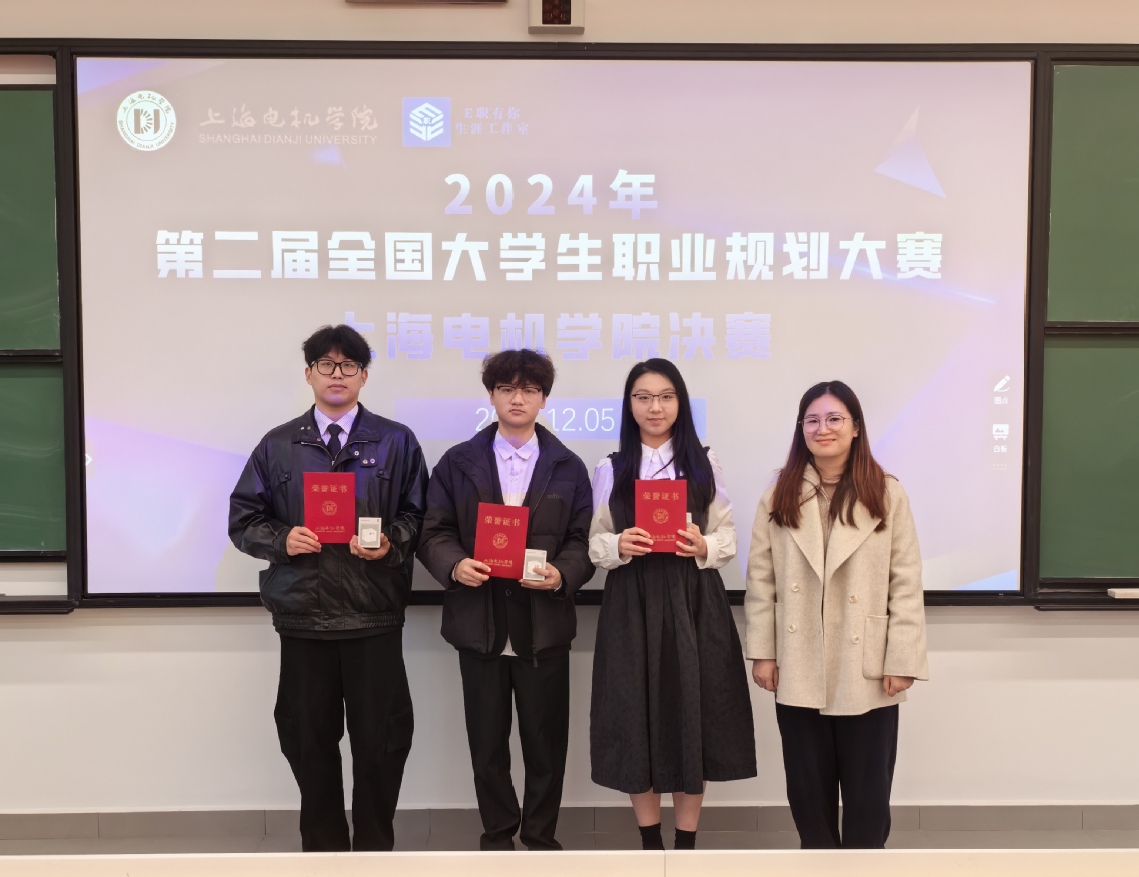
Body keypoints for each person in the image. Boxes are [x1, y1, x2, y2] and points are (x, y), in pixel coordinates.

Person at [228, 324, 428, 852]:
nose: (337, 375)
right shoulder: (278, 445)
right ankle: (323, 854)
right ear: (309, 374)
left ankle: (375, 853)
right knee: (307, 742)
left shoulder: (397, 441)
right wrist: (282, 539)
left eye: (348, 366)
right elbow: (244, 519)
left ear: (364, 376)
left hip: (373, 617)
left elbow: (419, 516)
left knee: (381, 745)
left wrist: (390, 543)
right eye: (326, 365)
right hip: (304, 619)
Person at [417, 349, 594, 852]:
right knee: (487, 746)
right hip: (481, 623)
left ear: (543, 399)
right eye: (507, 389)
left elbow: (583, 538)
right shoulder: (457, 462)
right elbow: (433, 530)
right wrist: (455, 564)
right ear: (491, 395)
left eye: (529, 390)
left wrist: (562, 573)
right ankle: (496, 838)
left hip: (544, 625)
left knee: (545, 746)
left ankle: (540, 838)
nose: (518, 399)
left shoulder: (567, 465)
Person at [744, 380, 928, 850]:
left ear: (856, 427)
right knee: (808, 795)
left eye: (834, 419)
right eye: (812, 420)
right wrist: (763, 653)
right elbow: (761, 581)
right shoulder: (779, 495)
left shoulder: (886, 493)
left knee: (868, 798)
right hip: (798, 658)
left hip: (866, 663)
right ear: (801, 428)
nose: (822, 428)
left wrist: (902, 658)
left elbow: (905, 582)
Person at [589, 358, 756, 851]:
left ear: (679, 403)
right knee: (633, 713)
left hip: (693, 602)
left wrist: (704, 545)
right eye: (643, 397)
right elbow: (595, 543)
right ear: (630, 405)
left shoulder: (704, 462)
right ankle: (650, 844)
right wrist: (619, 545)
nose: (655, 407)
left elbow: (727, 536)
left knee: (692, 714)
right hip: (631, 604)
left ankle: (686, 845)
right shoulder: (610, 467)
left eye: (665, 396)